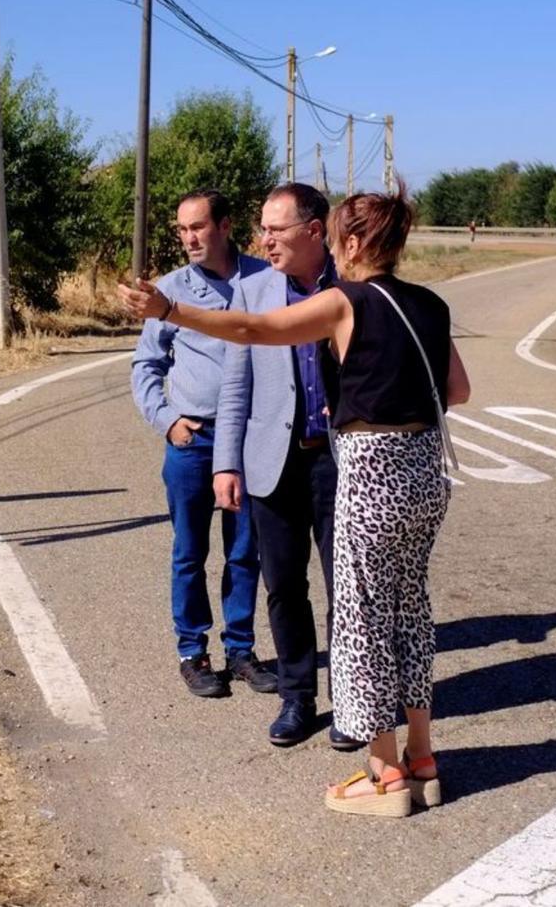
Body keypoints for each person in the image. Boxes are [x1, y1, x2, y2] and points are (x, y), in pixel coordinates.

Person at [119, 184, 470, 818]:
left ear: (350, 242)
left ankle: (385, 774)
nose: (269, 242)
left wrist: (169, 308)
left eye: (336, 234)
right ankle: (420, 757)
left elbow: (252, 329)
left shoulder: (346, 298)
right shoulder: (429, 301)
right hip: (421, 474)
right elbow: (457, 390)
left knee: (359, 616)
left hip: (363, 468)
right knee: (408, 611)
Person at [210, 184, 354, 750]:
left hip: (340, 464)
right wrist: (226, 463)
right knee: (283, 587)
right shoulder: (252, 291)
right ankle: (298, 697)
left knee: (347, 588)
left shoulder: (352, 286)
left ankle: (352, 700)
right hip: (271, 463)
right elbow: (235, 385)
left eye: (277, 229)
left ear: (314, 231)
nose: (264, 239)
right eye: (262, 228)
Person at [130, 189, 276, 698]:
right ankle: (193, 652)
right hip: (193, 440)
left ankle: (241, 650)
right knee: (190, 551)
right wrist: (168, 420)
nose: (189, 237)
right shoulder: (169, 292)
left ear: (225, 225)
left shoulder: (264, 280)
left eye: (198, 226)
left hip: (250, 440)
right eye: (182, 229)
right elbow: (145, 366)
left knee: (245, 551)